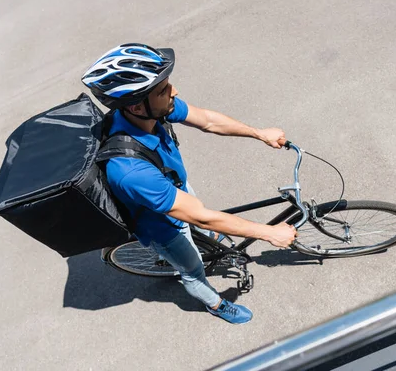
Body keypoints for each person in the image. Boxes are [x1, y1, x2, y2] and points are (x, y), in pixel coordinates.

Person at [81, 43, 297, 324]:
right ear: (136, 105)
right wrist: (268, 233)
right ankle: (216, 304)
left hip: (172, 188)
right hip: (162, 225)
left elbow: (207, 121)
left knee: (196, 213)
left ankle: (207, 241)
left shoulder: (150, 111)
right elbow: (202, 217)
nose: (175, 92)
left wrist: (259, 133)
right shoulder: (130, 171)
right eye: (163, 90)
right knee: (192, 268)